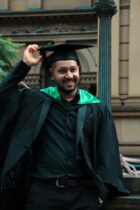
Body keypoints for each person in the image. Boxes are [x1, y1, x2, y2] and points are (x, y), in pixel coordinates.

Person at [0, 43, 129, 210]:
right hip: (42, 194)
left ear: (78, 70)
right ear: (51, 74)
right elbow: (3, 96)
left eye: (73, 69)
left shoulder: (96, 108)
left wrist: (104, 191)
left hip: (83, 196)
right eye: (62, 71)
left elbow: (107, 152)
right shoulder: (36, 101)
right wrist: (24, 65)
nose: (69, 75)